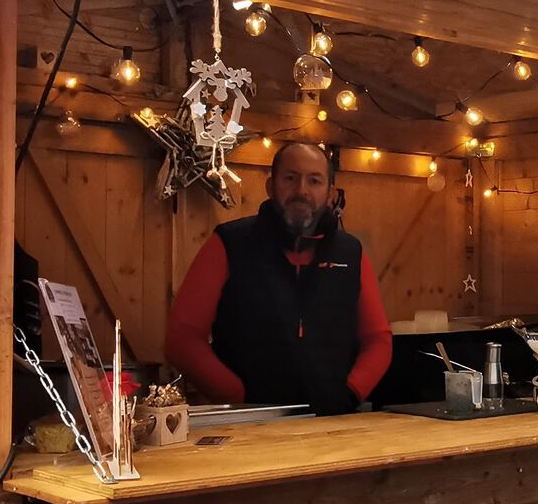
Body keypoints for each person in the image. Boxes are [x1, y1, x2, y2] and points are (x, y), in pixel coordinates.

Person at [166, 140, 392, 415]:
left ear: (330, 194)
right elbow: (182, 339)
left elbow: (378, 339)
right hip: (247, 424)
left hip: (333, 422)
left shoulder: (350, 253)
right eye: (290, 178)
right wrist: (239, 397)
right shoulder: (229, 244)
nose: (302, 190)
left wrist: (350, 392)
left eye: (314, 181)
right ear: (271, 186)